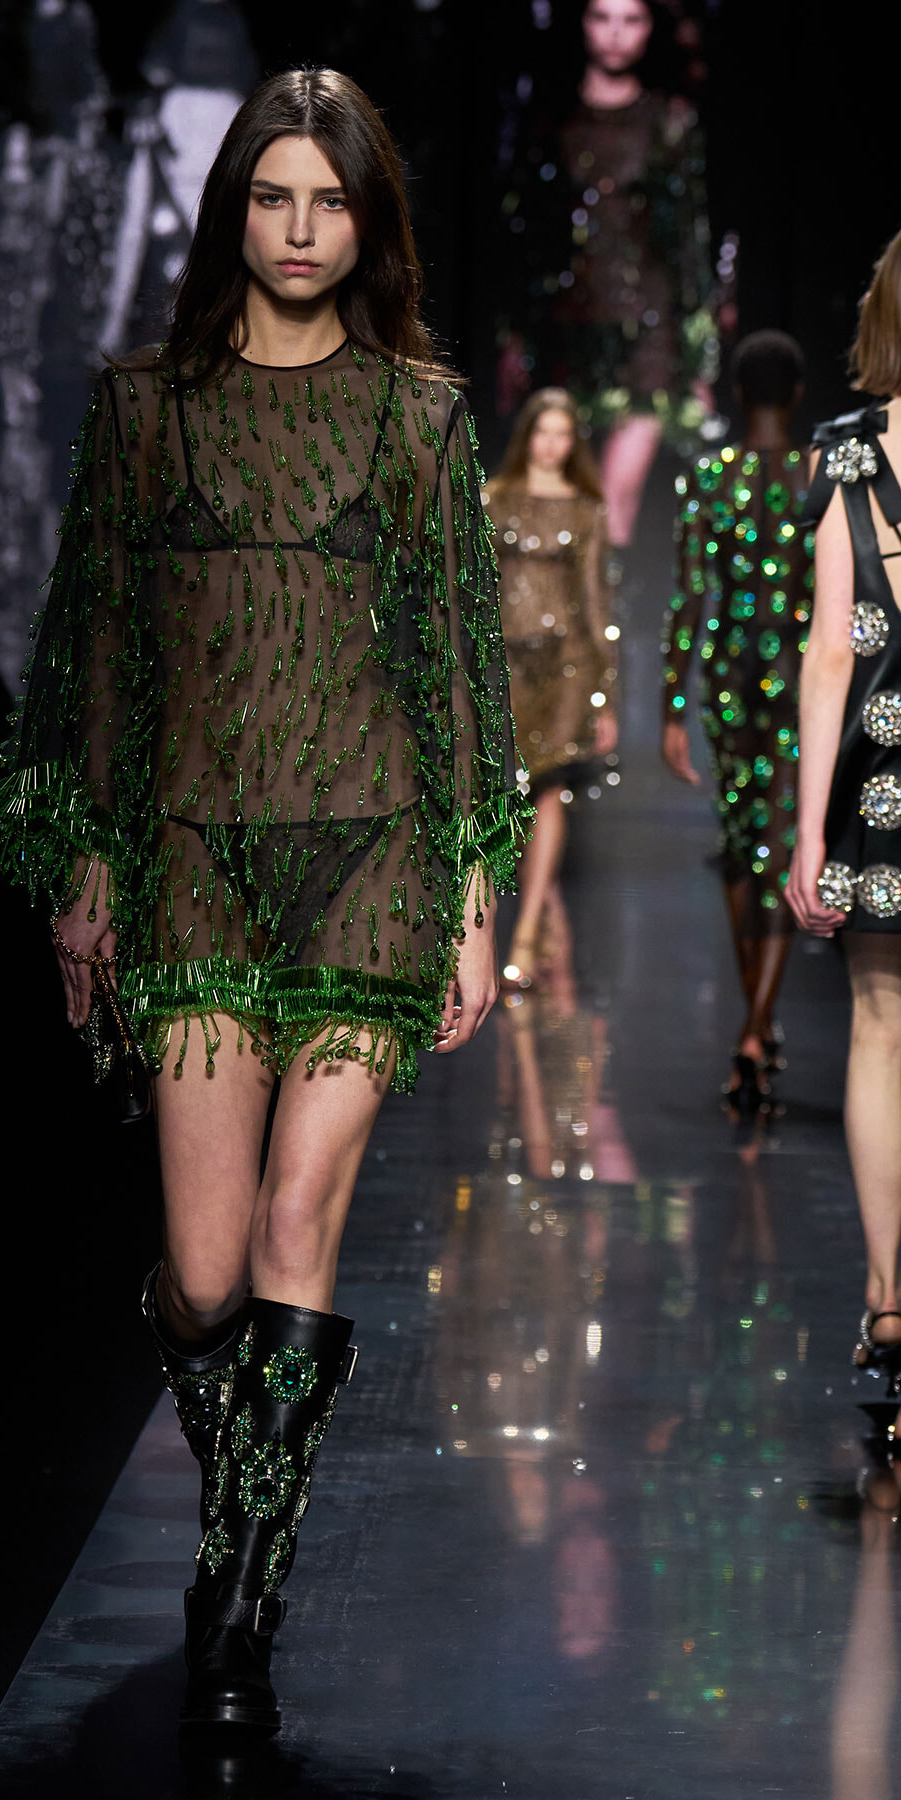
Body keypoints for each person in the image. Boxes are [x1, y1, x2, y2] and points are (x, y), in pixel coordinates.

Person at [0, 68, 526, 1732]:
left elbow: (461, 673)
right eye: (273, 196)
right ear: (237, 210)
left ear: (371, 224)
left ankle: (240, 1608)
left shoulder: (416, 417)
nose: (299, 230)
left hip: (369, 862)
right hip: (193, 862)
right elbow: (95, 655)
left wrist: (475, 897)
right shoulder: (145, 406)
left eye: (330, 200)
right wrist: (85, 863)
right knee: (207, 1275)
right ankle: (247, 1504)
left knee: (300, 1230)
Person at [785, 229, 901, 1427]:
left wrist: (809, 828)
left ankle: (885, 1298)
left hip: (881, 785)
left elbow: (829, 656)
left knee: (881, 1028)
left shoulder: (848, 457)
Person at [496, 0, 718, 548]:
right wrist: (513, 337)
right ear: (581, 22)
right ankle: (576, 629)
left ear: (650, 29)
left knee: (617, 498)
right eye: (601, 16)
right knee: (564, 499)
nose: (616, 34)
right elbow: (522, 235)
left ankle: (607, 630)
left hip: (650, 334)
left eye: (631, 19)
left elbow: (688, 241)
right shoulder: (549, 121)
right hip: (568, 330)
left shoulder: (671, 122)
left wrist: (701, 361)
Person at [662, 331, 812, 1118]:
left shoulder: (711, 478)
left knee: (741, 846)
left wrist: (670, 706)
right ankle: (756, 1028)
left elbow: (688, 602)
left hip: (726, 678)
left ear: (734, 392)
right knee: (781, 848)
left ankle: (755, 1024)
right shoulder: (818, 478)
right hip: (798, 688)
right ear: (793, 394)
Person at [484, 389, 618, 988]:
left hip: (566, 666)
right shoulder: (492, 498)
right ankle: (514, 925)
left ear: (573, 443)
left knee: (548, 793)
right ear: (528, 435)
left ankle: (527, 930)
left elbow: (595, 604)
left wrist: (605, 694)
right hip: (501, 662)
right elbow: (472, 587)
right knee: (496, 796)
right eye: (544, 431)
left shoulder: (587, 511)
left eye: (564, 434)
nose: (552, 444)